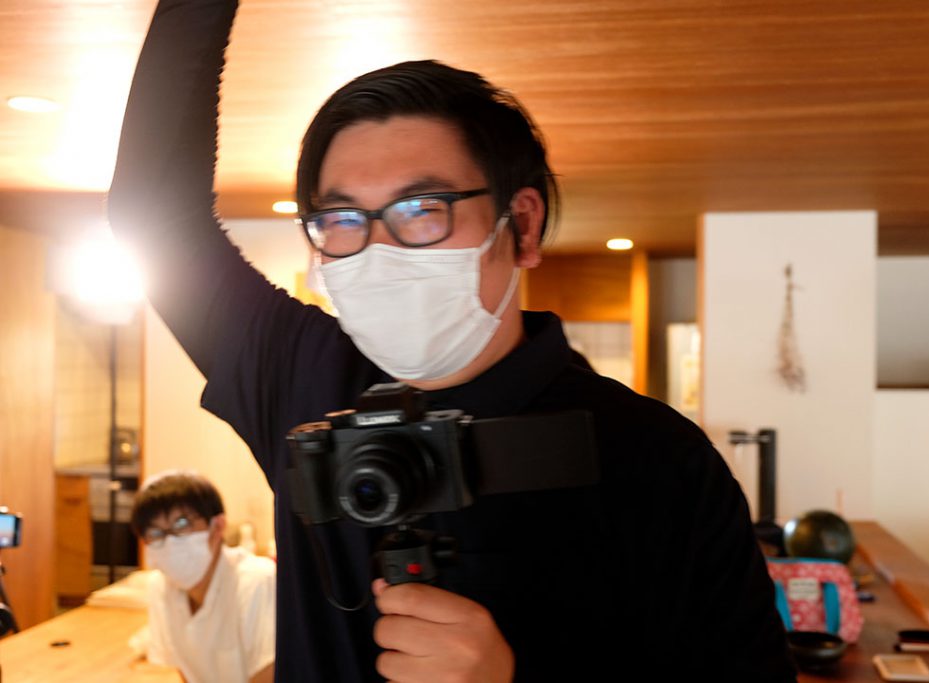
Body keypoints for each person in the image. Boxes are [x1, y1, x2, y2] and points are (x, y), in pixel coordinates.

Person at [108, 1, 796, 681]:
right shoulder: (305, 377)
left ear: (522, 226)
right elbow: (152, 214)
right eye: (342, 219)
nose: (378, 250)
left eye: (421, 210)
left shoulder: (654, 460)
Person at [129, 470, 276, 683]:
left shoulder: (257, 582)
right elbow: (186, 672)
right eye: (155, 533)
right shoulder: (160, 588)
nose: (170, 542)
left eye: (181, 525)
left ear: (217, 527)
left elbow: (270, 676)